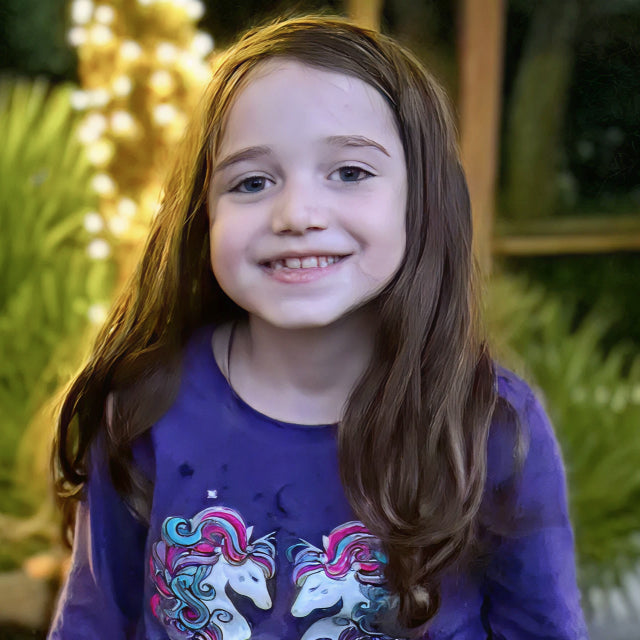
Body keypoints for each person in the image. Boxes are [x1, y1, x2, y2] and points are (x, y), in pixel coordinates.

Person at [48, 13, 589, 640]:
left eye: (350, 173)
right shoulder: (144, 406)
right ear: (202, 215)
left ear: (421, 198)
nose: (297, 214)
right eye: (252, 182)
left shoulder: (489, 425)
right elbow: (92, 622)